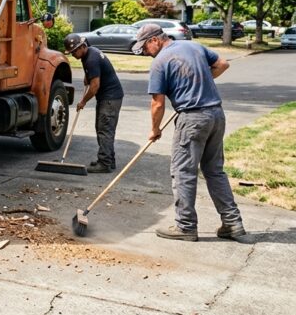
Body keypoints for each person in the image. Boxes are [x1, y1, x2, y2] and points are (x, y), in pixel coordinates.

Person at [131, 23, 247, 242]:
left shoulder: (160, 61)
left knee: (183, 172)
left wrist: (155, 130)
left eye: (145, 48)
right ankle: (233, 224)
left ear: (155, 40)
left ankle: (185, 226)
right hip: (215, 115)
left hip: (192, 119)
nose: (145, 53)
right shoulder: (193, 46)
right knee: (214, 171)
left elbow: (157, 104)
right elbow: (222, 64)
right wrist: (198, 84)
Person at [63, 33, 124, 173]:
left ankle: (104, 163)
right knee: (103, 128)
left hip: (110, 98)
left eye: (73, 52)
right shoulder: (90, 53)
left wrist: (83, 101)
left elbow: (95, 86)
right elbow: (93, 72)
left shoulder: (91, 59)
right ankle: (109, 160)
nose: (73, 55)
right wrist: (87, 76)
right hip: (110, 97)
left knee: (104, 130)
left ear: (82, 46)